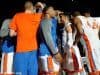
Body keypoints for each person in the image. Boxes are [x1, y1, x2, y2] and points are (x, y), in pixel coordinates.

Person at [9, 1, 42, 75]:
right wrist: (39, 5)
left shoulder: (17, 16)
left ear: (25, 8)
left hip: (21, 50)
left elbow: (11, 34)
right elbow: (41, 10)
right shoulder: (36, 16)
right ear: (32, 8)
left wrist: (19, 33)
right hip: (33, 50)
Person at [72, 10, 100, 75]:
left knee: (94, 70)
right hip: (98, 45)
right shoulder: (97, 19)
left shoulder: (78, 18)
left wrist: (75, 42)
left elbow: (80, 32)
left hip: (90, 47)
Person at [39, 6, 63, 75]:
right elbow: (48, 38)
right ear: (47, 12)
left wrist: (57, 15)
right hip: (47, 53)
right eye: (52, 10)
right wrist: (55, 53)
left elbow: (57, 21)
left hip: (51, 52)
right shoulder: (45, 21)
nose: (54, 11)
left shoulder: (50, 20)